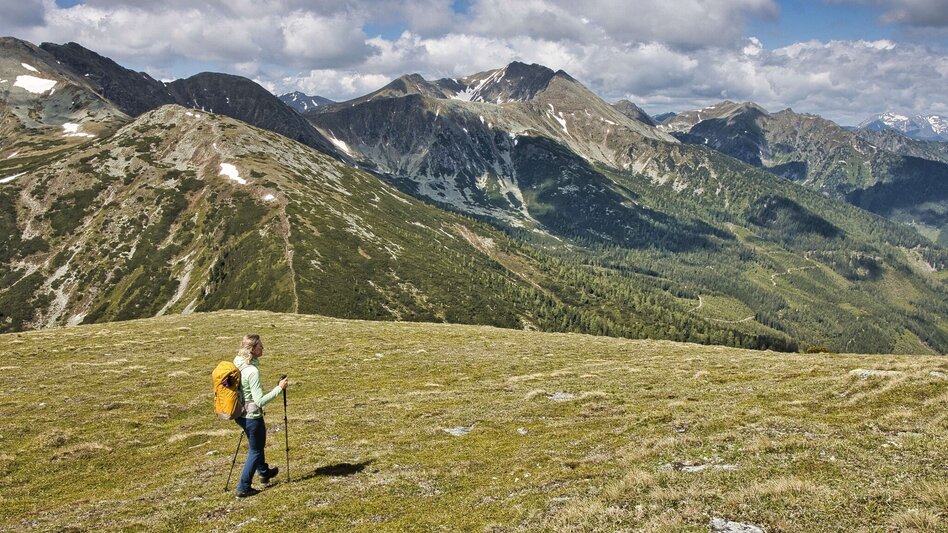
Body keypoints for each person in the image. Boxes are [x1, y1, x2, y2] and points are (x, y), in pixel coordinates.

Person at [232, 334, 288, 498]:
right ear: (252, 349)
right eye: (260, 346)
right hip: (252, 416)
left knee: (256, 444)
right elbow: (260, 400)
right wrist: (279, 388)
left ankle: (264, 471)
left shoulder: (237, 363)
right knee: (256, 450)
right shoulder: (252, 371)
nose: (263, 348)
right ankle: (243, 487)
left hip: (240, 414)